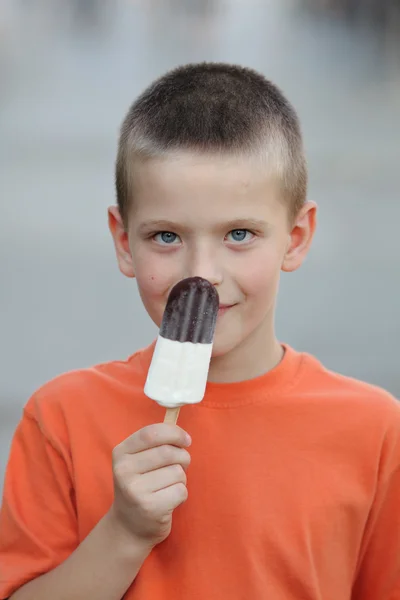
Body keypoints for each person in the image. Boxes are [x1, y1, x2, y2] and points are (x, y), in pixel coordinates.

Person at [0, 62, 399, 600]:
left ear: (297, 237)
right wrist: (124, 532)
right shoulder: (62, 418)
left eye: (239, 233)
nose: (201, 273)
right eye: (166, 236)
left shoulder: (375, 431)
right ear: (123, 242)